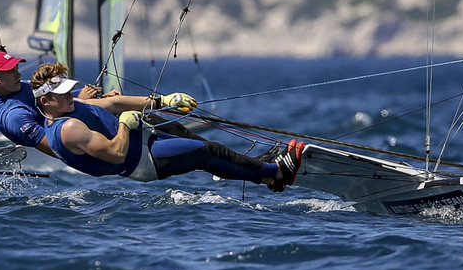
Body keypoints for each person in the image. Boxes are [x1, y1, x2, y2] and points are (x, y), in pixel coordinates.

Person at [32, 70, 303, 191]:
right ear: (46, 102)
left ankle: (262, 172)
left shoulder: (70, 105)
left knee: (202, 149)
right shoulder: (68, 128)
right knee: (208, 152)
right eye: (62, 94)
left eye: (69, 90)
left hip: (146, 139)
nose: (70, 96)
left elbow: (113, 102)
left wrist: (164, 100)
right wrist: (125, 124)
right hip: (141, 161)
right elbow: (115, 153)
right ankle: (277, 173)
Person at [0, 52, 198, 158]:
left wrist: (95, 98)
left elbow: (67, 97)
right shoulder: (13, 116)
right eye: (10, 71)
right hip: (82, 142)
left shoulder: (26, 86)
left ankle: (200, 145)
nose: (17, 73)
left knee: (156, 122)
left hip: (83, 125)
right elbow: (57, 148)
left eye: (16, 67)